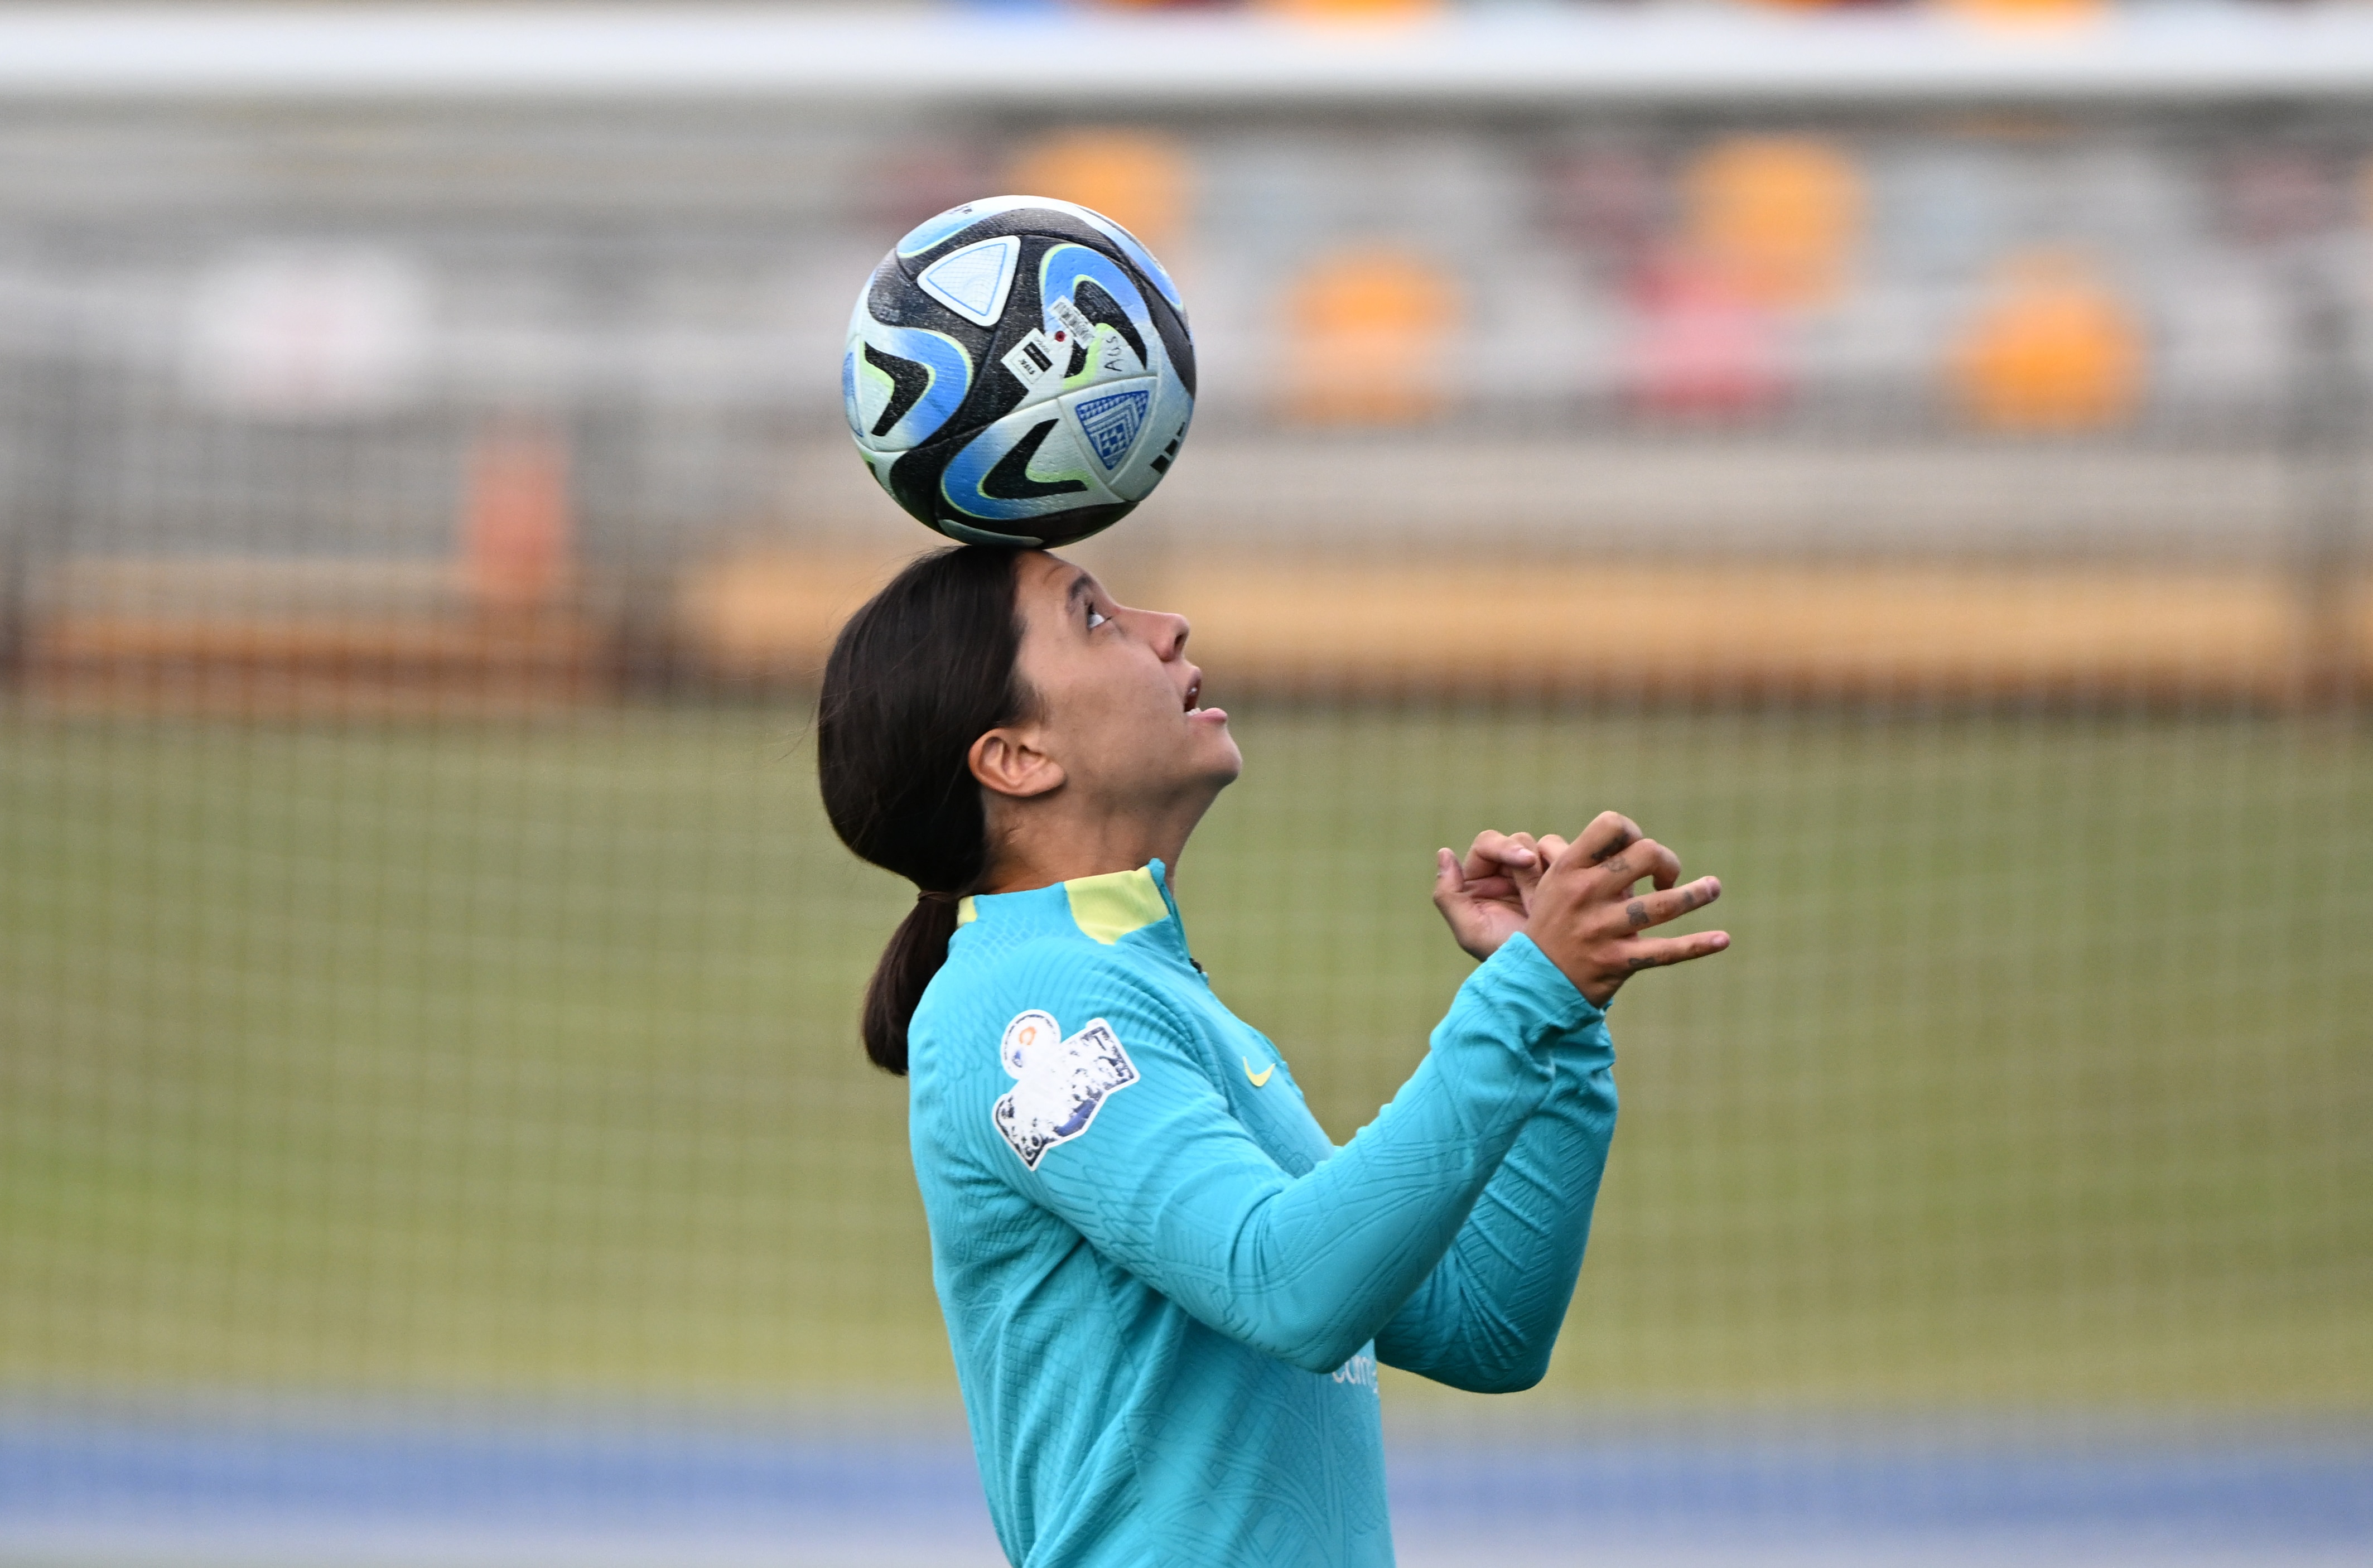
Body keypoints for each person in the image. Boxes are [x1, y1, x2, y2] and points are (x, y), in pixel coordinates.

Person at [816, 545, 1728, 1568]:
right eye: (1096, 619)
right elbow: (1289, 1291)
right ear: (1017, 758)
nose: (1168, 627)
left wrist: (1559, 1017)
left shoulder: (1146, 986)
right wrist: (1521, 1004)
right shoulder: (1026, 1001)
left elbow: (1486, 1326)